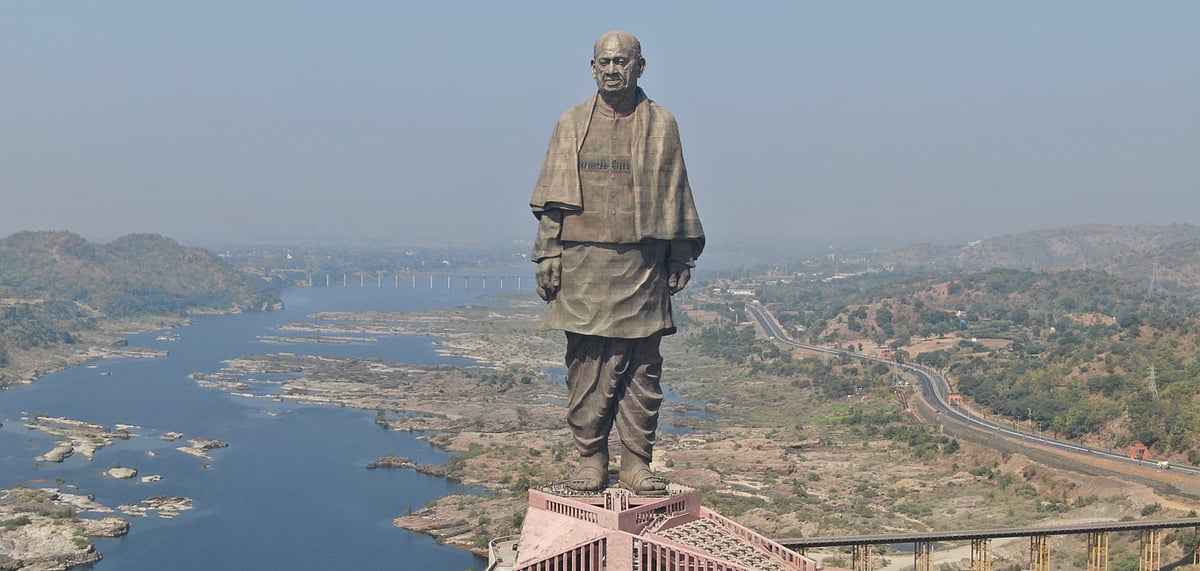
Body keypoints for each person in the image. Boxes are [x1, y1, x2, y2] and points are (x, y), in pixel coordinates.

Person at [529, 30, 704, 495]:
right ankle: (591, 458)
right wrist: (549, 251)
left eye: (621, 62)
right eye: (604, 62)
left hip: (642, 264)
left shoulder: (662, 123)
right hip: (584, 262)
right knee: (587, 365)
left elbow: (676, 190)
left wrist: (680, 253)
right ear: (592, 68)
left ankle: (636, 462)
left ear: (639, 67)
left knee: (642, 367)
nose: (612, 69)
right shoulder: (571, 123)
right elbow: (552, 200)